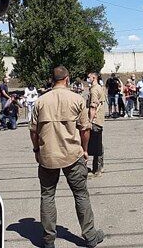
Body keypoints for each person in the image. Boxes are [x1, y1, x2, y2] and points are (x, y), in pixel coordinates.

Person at [29, 66, 105, 248]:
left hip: (48, 156)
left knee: (47, 196)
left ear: (52, 79)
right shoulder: (77, 99)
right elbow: (85, 130)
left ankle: (48, 241)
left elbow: (33, 131)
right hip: (72, 154)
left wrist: (37, 150)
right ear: (67, 79)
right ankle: (90, 236)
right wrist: (85, 149)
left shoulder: (41, 101)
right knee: (80, 194)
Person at [87, 72, 106, 177]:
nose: (87, 78)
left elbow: (93, 106)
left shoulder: (94, 89)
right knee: (99, 144)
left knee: (94, 146)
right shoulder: (99, 87)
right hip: (100, 120)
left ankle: (96, 169)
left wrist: (90, 120)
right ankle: (100, 166)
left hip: (95, 120)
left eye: (89, 77)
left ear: (93, 78)